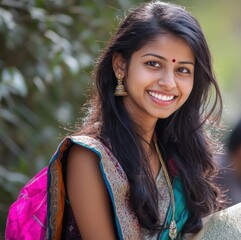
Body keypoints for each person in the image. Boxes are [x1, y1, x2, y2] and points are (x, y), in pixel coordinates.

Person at [46, 2, 224, 239]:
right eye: (153, 64)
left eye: (183, 70)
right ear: (121, 65)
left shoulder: (176, 153)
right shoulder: (89, 157)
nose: (169, 82)